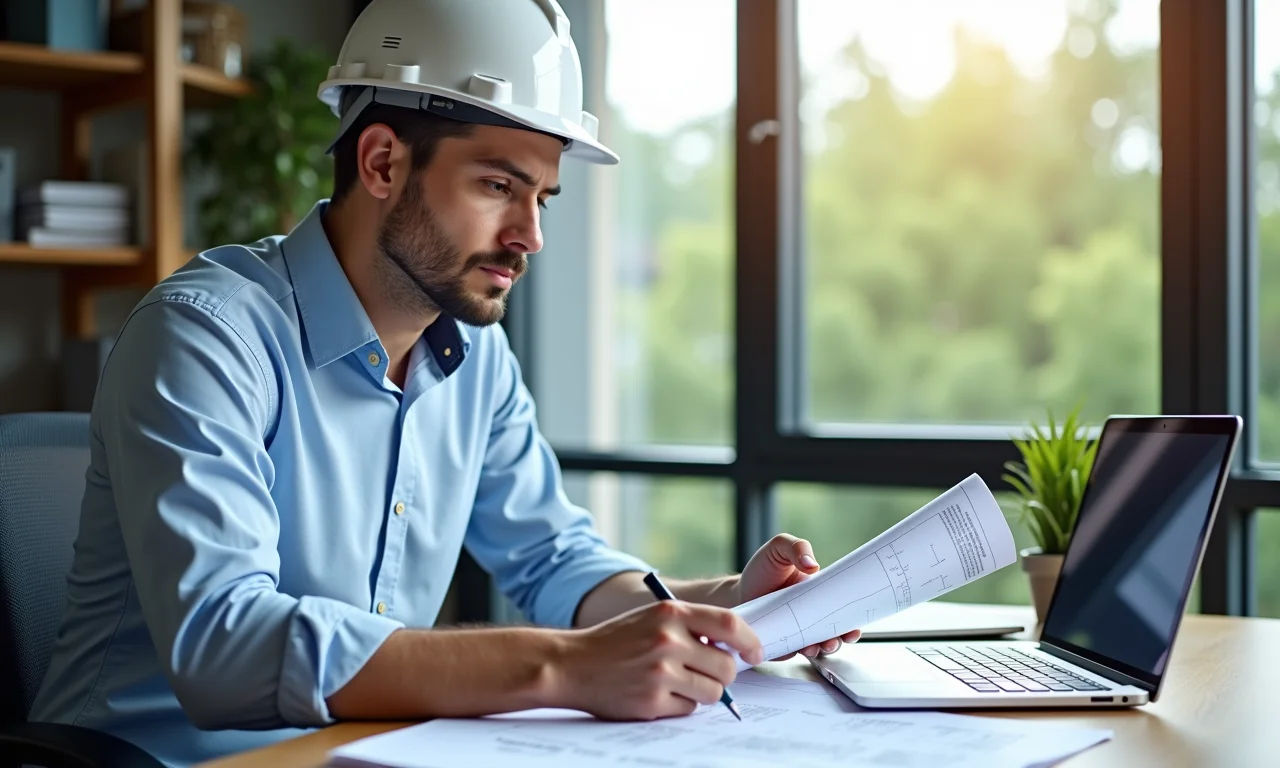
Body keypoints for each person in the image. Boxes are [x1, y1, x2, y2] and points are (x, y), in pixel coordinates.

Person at [28, 1, 860, 765]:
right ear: (382, 162)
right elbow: (226, 646)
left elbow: (555, 562)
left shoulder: (474, 358)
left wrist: (729, 607)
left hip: (359, 754)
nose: (530, 235)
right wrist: (562, 667)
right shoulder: (207, 335)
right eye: (498, 186)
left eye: (543, 199)